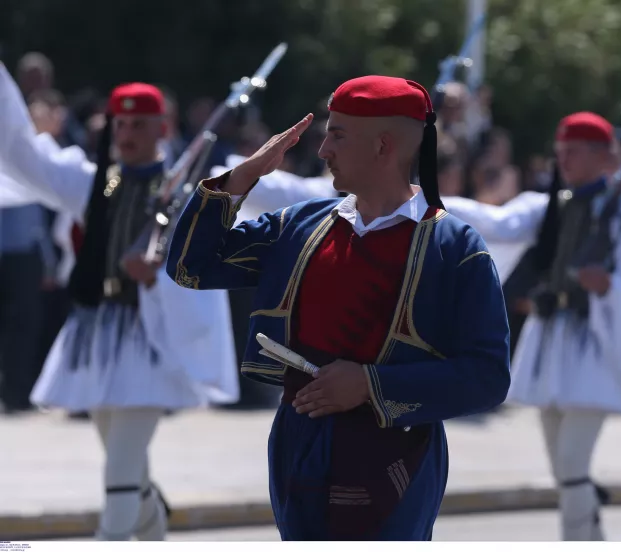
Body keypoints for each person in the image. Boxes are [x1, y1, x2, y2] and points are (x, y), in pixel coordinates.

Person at [167, 75, 511, 540]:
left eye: (337, 134)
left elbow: (487, 377)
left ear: (383, 146)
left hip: (394, 455)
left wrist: (370, 385)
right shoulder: (301, 225)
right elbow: (191, 267)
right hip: (299, 444)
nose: (323, 149)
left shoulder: (455, 247)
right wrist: (243, 176)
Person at [0, 64, 239, 541]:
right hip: (97, 336)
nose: (126, 133)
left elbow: (205, 274)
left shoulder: (187, 196)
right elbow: (22, 153)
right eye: (120, 124)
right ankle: (154, 535)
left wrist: (157, 278)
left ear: (163, 129)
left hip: (150, 339)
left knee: (120, 476)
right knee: (125, 468)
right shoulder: (95, 183)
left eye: (138, 124)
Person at [442, 112, 621, 540]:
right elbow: (498, 223)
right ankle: (592, 533)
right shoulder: (551, 205)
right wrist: (427, 197)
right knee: (562, 469)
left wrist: (610, 285)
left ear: (602, 156)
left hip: (597, 348)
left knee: (572, 467)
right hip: (553, 343)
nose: (564, 161)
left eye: (573, 152)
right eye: (561, 152)